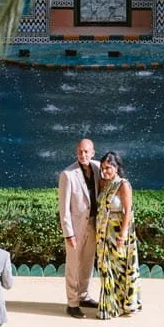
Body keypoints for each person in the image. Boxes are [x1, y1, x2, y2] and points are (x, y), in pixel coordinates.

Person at [58, 134, 101, 316]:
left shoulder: (99, 167)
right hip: (75, 228)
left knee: (88, 263)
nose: (83, 155)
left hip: (94, 225)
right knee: (73, 266)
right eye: (80, 151)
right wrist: (68, 233)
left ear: (92, 152)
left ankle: (83, 295)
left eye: (86, 152)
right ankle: (72, 303)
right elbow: (64, 208)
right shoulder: (67, 174)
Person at [95, 152, 141, 319]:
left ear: (117, 167)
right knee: (106, 269)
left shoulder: (123, 185)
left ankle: (122, 305)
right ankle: (110, 306)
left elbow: (128, 211)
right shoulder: (104, 183)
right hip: (103, 234)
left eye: (108, 168)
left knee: (120, 269)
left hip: (118, 233)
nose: (104, 171)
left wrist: (122, 236)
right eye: (102, 168)